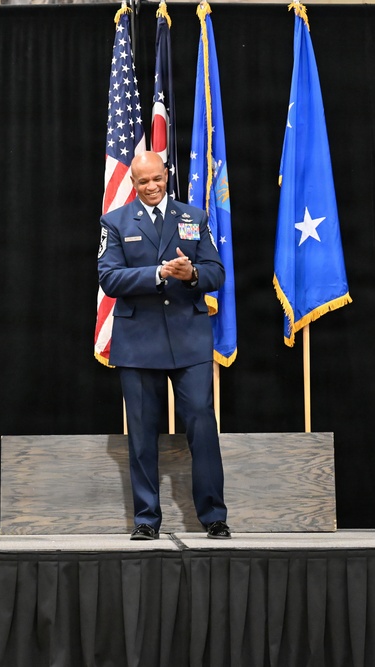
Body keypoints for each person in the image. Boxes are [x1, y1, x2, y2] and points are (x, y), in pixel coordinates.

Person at [97, 152, 231, 540]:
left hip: (188, 340)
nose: (152, 187)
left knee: (202, 425)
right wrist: (157, 273)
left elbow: (216, 272)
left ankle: (214, 515)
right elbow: (110, 279)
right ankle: (146, 519)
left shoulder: (194, 218)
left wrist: (192, 275)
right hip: (138, 342)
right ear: (134, 183)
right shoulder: (115, 222)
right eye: (143, 182)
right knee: (141, 432)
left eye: (157, 179)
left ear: (166, 175)